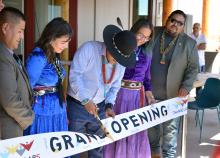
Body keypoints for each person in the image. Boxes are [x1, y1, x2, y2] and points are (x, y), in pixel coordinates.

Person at [67, 24, 137, 158]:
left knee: (98, 147)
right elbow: (75, 75)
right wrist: (85, 99)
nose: (117, 62)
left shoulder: (121, 63)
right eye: (116, 57)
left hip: (100, 106)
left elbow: (115, 87)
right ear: (110, 47)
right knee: (74, 146)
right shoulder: (89, 49)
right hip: (77, 105)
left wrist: (109, 105)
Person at [148, 10, 199, 158]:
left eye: (180, 23)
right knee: (152, 133)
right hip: (150, 95)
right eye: (173, 20)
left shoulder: (189, 43)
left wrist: (186, 86)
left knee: (170, 136)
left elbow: (193, 68)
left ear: (183, 27)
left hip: (173, 97)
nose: (175, 25)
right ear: (167, 19)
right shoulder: (154, 33)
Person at [104, 18, 155, 158]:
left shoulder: (147, 54)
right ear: (133, 31)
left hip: (137, 97)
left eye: (146, 37)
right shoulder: (123, 47)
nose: (142, 39)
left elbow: (147, 78)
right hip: (119, 95)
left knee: (135, 130)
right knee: (119, 129)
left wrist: (149, 95)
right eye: (140, 35)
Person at [24, 17, 72, 134]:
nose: (66, 46)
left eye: (67, 43)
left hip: (56, 109)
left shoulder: (53, 55)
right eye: (63, 42)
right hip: (41, 111)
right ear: (52, 37)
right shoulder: (38, 57)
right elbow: (26, 87)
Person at [0, 7, 34, 139]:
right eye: (20, 31)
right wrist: (29, 117)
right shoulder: (2, 56)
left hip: (14, 125)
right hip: (6, 131)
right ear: (5, 28)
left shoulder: (9, 53)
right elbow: (9, 100)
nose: (22, 37)